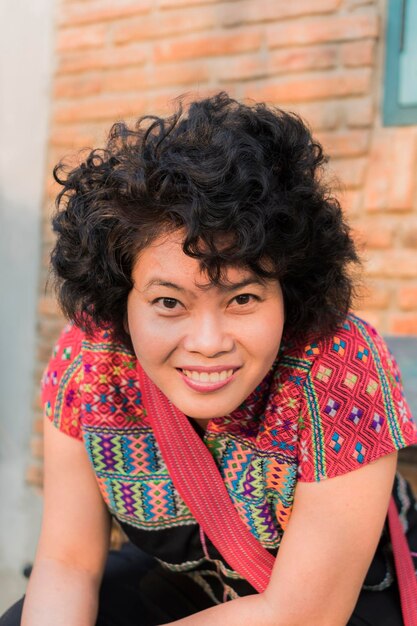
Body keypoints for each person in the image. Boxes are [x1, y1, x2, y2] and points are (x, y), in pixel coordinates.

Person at [2, 92, 417, 626]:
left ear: (288, 293)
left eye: (242, 299)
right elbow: (67, 563)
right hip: (181, 583)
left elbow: (302, 613)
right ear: (119, 301)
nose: (207, 342)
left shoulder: (339, 363)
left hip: (335, 598)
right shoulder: (90, 360)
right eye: (168, 302)